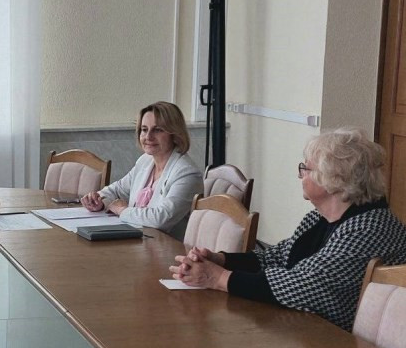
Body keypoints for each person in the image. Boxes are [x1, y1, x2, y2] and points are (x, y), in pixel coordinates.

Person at [171, 127, 406, 331]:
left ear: (334, 179)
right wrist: (221, 260)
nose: (299, 175)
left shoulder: (370, 228)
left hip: (344, 347)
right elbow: (277, 257)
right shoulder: (320, 218)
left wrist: (218, 277)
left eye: (306, 168)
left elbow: (302, 284)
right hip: (305, 327)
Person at [80, 101, 203, 238]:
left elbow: (160, 219)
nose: (148, 137)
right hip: (138, 241)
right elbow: (118, 190)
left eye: (157, 130)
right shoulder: (145, 160)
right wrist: (99, 201)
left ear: (174, 134)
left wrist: (122, 210)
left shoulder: (187, 174)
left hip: (167, 247)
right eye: (144, 129)